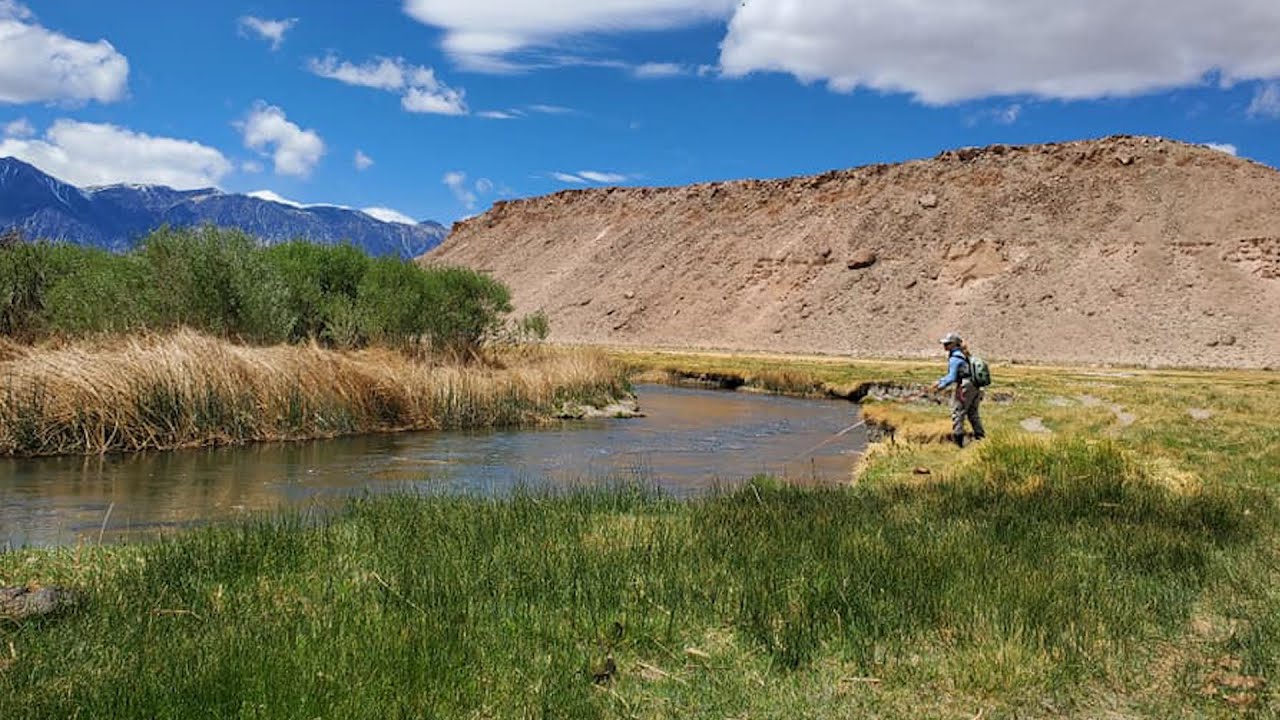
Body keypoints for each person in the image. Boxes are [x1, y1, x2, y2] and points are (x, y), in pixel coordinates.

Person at [935, 332, 985, 447]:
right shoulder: (965, 355)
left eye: (947, 343)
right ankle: (981, 438)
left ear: (954, 344)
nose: (945, 345)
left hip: (965, 387)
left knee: (958, 412)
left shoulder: (955, 358)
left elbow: (951, 377)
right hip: (976, 385)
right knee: (973, 413)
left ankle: (958, 443)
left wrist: (939, 385)